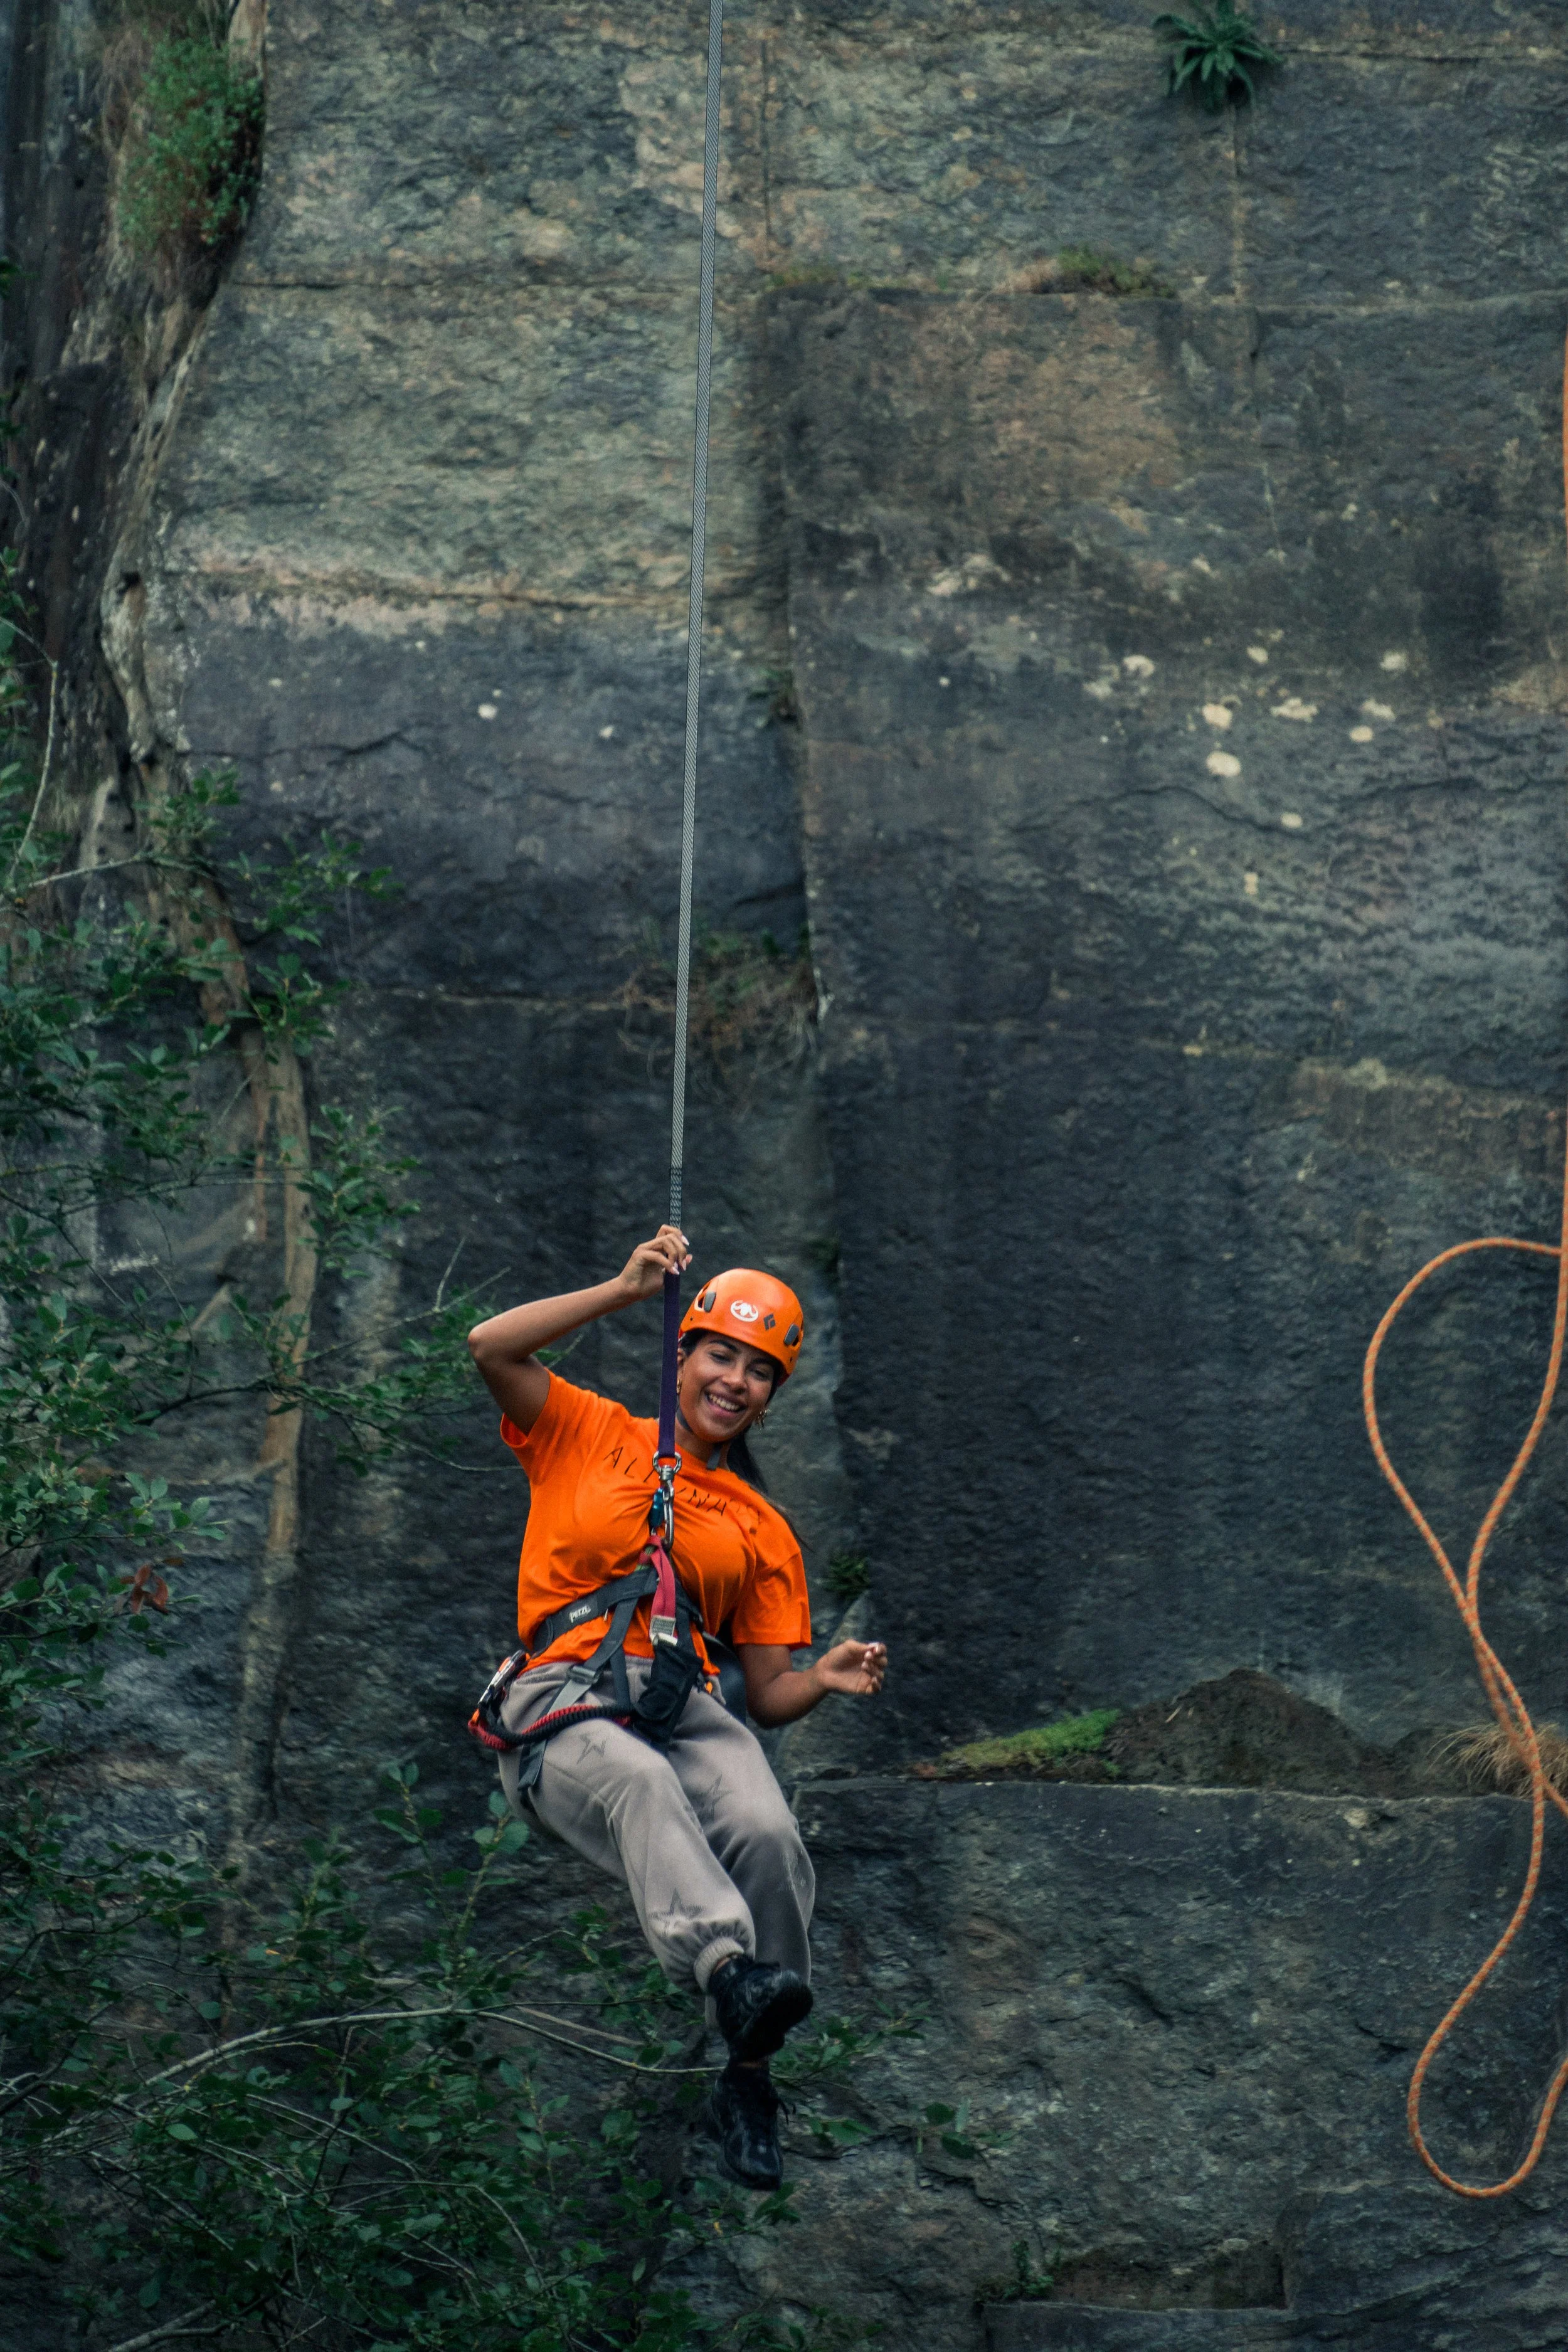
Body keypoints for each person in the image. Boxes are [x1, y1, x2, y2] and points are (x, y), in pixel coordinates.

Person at [466, 1224, 887, 2188]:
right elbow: (492, 1344)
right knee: (639, 1778)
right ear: (684, 1354)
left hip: (680, 1698)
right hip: (562, 1698)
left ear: (773, 1396)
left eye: (759, 1369)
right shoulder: (588, 1429)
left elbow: (769, 1691)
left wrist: (821, 1678)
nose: (734, 1379)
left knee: (769, 1830)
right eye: (720, 1353)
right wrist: (622, 1287)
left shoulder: (762, 1527)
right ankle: (725, 1972)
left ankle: (749, 2076)